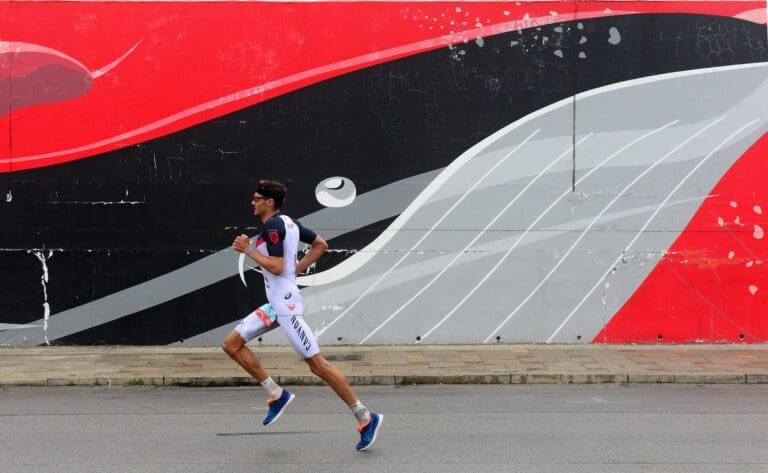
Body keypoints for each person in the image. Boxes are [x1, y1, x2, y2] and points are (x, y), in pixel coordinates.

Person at [222, 179, 383, 451]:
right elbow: (321, 245)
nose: (253, 202)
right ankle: (276, 394)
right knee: (231, 344)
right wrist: (295, 271)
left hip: (286, 309)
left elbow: (276, 266)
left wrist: (248, 250)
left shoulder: (273, 226)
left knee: (317, 365)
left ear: (269, 202)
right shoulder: (290, 223)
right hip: (277, 304)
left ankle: (365, 417)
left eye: (256, 198)